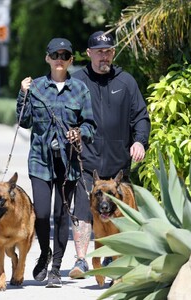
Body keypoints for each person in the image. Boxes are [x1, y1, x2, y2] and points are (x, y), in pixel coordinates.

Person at [69, 31, 150, 278]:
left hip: (118, 165)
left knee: (118, 214)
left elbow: (141, 117)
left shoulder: (126, 82)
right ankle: (82, 260)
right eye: (100, 52)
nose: (104, 56)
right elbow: (67, 114)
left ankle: (111, 257)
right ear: (89, 53)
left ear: (113, 53)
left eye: (108, 51)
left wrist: (140, 142)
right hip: (87, 160)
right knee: (83, 211)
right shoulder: (78, 81)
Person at [16, 37, 96, 288]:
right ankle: (44, 251)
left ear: (71, 60)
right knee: (41, 213)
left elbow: (90, 126)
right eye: (55, 55)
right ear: (47, 58)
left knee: (62, 216)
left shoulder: (80, 90)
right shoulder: (37, 87)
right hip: (40, 159)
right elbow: (23, 121)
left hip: (68, 162)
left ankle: (56, 268)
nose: (60, 60)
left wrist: (79, 132)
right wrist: (22, 93)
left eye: (65, 56)